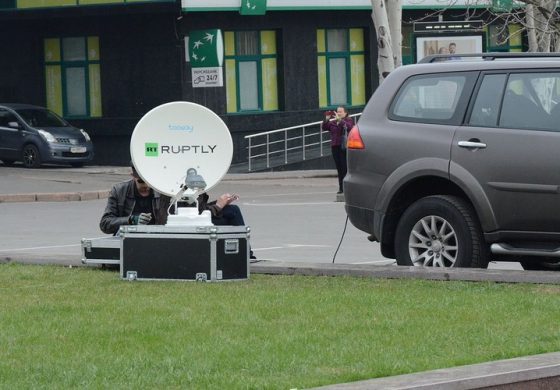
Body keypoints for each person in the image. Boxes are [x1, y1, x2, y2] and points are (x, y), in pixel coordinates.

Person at [99, 165, 255, 257]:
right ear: (132, 176)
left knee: (232, 210)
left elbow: (192, 214)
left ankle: (247, 256)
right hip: (138, 238)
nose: (146, 186)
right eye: (141, 181)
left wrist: (219, 204)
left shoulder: (164, 188)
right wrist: (131, 220)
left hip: (166, 232)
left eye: (149, 182)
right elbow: (105, 224)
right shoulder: (119, 191)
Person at [321, 106, 354, 194]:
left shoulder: (348, 120)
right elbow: (325, 127)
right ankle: (341, 188)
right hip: (335, 146)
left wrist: (340, 121)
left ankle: (346, 188)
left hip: (344, 147)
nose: (338, 113)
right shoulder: (333, 122)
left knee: (344, 168)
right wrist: (327, 119)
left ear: (345, 113)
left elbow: (350, 127)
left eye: (340, 112)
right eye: (337, 111)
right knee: (339, 168)